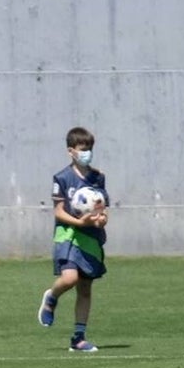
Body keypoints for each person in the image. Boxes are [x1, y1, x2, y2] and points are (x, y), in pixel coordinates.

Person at [38, 126, 109, 352]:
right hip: (68, 235)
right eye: (82, 149)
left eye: (89, 149)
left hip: (90, 238)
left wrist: (100, 220)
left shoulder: (98, 177)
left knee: (85, 288)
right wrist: (79, 222)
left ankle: (78, 338)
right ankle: (52, 297)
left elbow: (102, 209)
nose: (86, 153)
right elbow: (59, 211)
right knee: (70, 279)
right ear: (71, 151)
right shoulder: (62, 178)